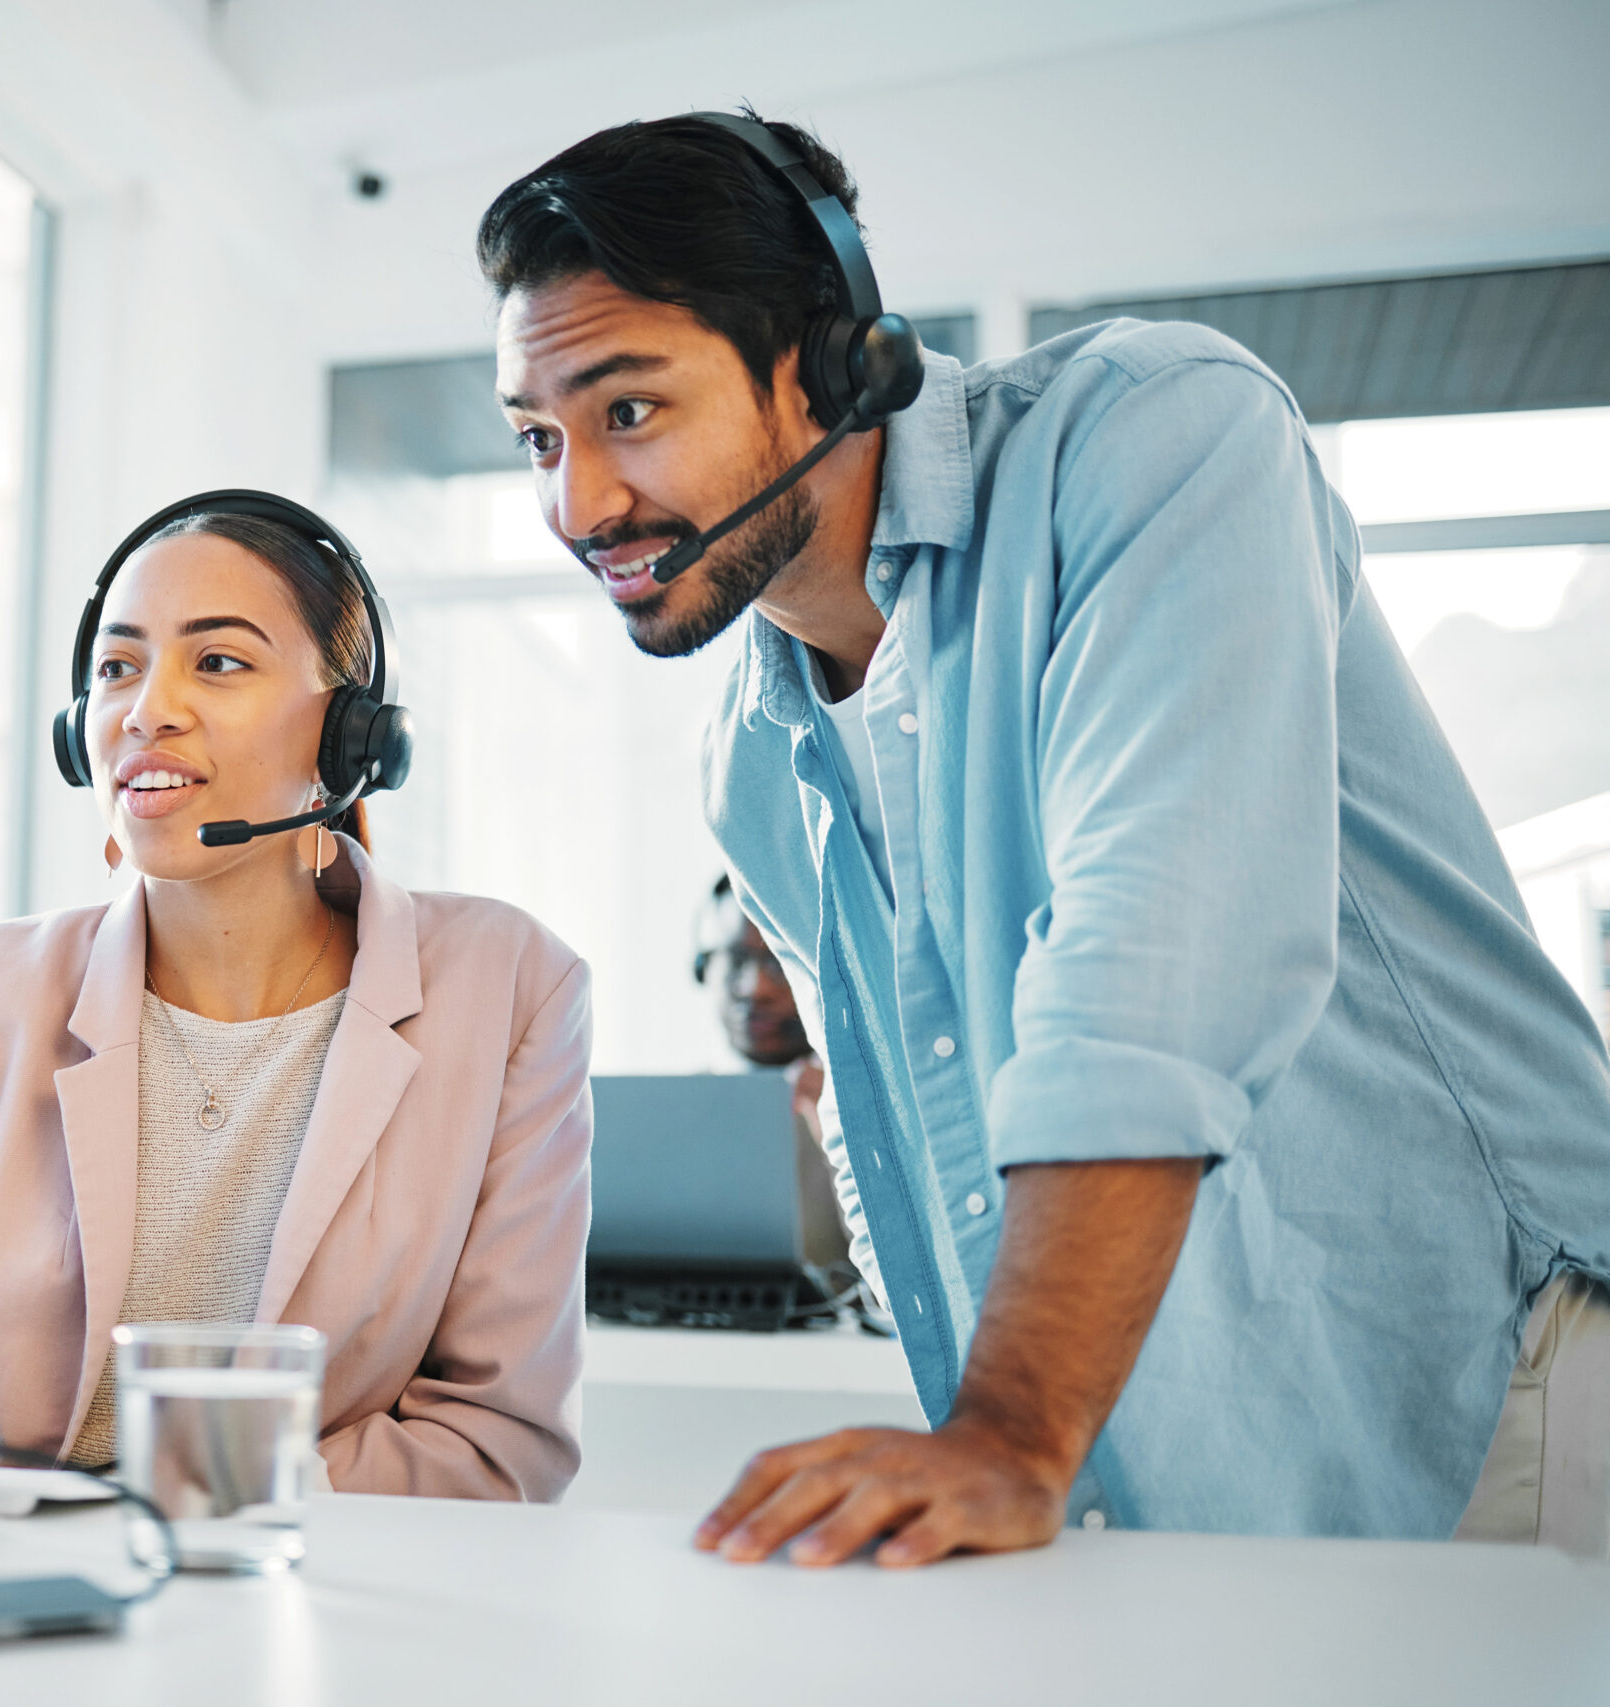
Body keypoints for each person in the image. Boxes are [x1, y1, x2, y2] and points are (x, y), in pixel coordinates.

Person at [479, 111, 1610, 1563]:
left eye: (628, 410)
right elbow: (903, 1139)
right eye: (535, 437)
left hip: (1481, 1378)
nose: (577, 504)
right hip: (1167, 1460)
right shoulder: (755, 759)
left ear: (834, 363)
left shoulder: (1152, 438)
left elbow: (1156, 959)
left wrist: (1012, 1426)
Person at [0, 493, 593, 1500]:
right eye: (117, 668)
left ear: (348, 734)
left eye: (218, 662)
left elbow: (496, 1443)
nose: (147, 708)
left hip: (299, 1602)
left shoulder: (507, 987)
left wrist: (183, 1501)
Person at [693, 875, 842, 1275]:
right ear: (703, 968)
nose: (756, 987)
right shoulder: (672, 1116)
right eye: (736, 960)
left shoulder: (865, 1112)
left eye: (779, 962)